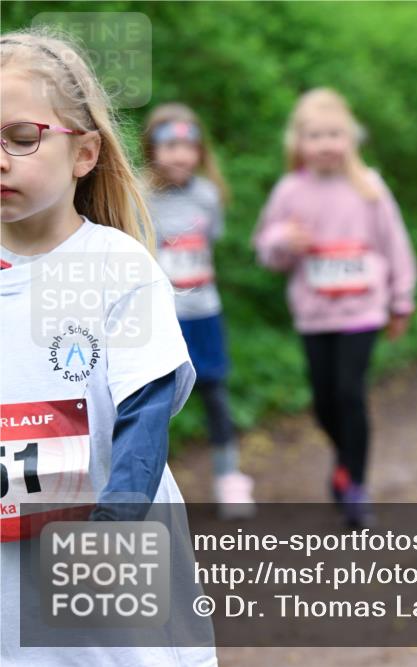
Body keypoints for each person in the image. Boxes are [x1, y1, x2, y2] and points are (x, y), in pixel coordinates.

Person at [0, 29, 216, 665]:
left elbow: (145, 411)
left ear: (84, 153)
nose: (0, 157)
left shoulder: (118, 266)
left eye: (22, 137)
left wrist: (115, 526)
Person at [254, 88, 417, 529]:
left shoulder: (370, 189)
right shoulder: (290, 191)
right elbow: (266, 249)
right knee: (324, 402)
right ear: (299, 143)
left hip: (362, 310)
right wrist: (282, 243)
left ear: (351, 139)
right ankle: (345, 460)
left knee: (349, 393)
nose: (326, 144)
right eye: (316, 135)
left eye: (334, 134)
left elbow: (395, 246)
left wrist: (402, 299)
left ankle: (356, 484)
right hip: (314, 313)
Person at [142, 102, 255, 518]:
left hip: (204, 311)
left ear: (201, 151)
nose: (179, 155)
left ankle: (229, 477)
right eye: (168, 145)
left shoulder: (208, 196)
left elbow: (212, 242)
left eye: (188, 146)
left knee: (215, 391)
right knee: (152, 398)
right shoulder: (138, 194)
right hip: (156, 315)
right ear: (151, 148)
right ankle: (146, 483)